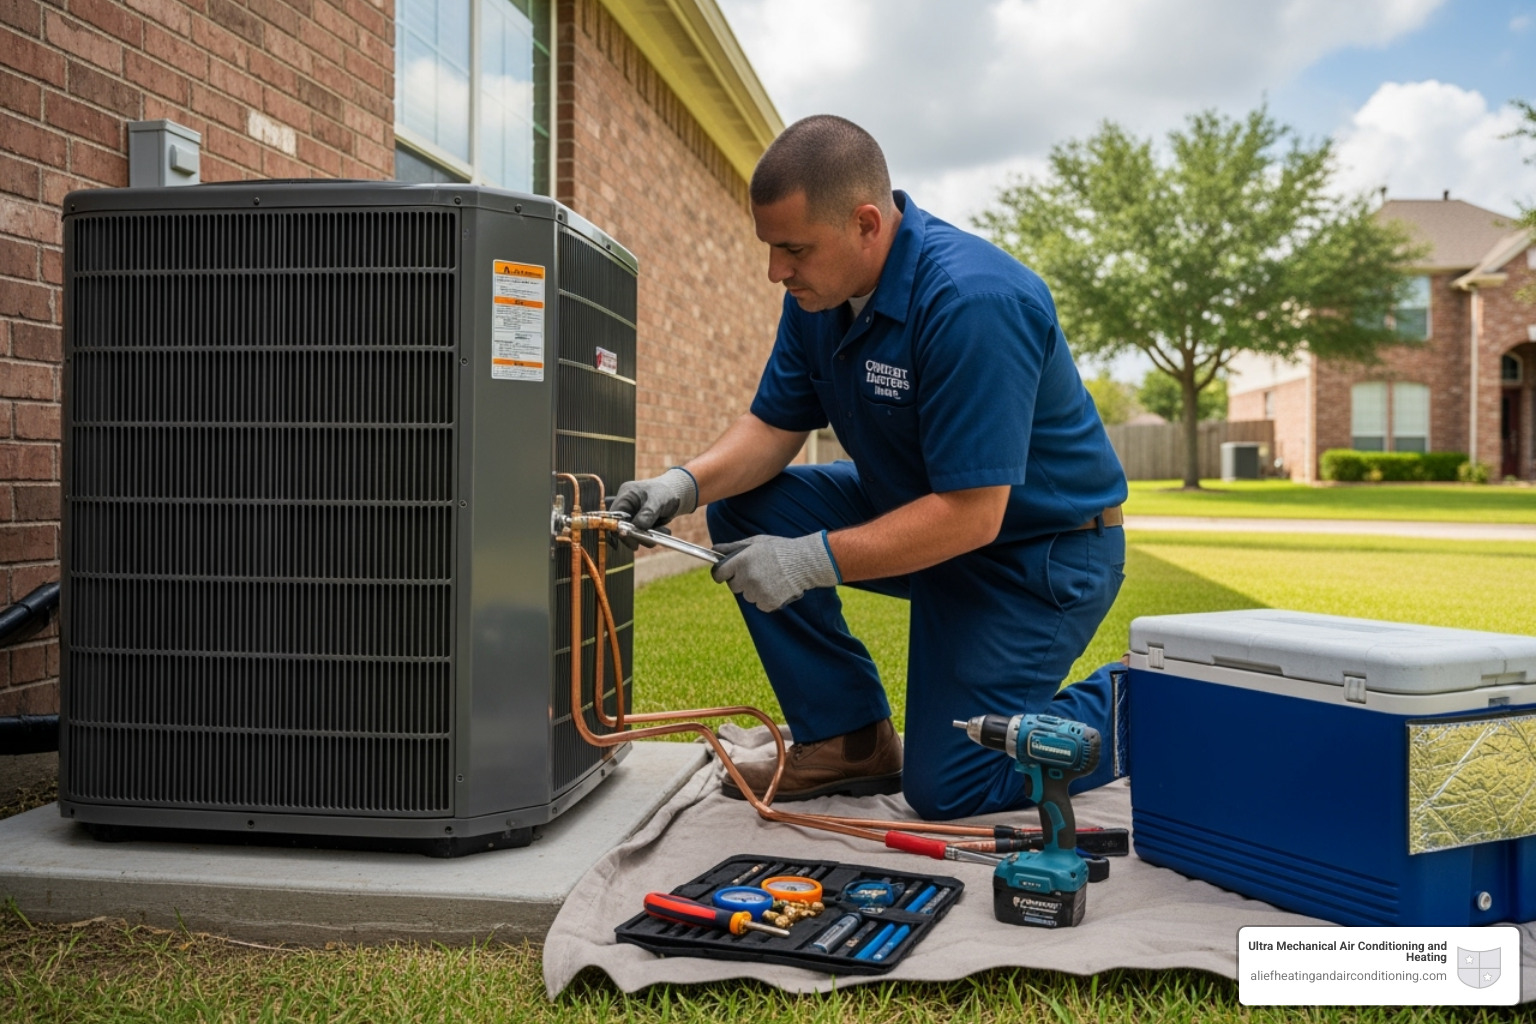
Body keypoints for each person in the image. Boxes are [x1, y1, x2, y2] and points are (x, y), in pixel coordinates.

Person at [611, 115, 1126, 819]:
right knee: (748, 507)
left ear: (865, 224)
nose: (776, 271)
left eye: (793, 249)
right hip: (924, 516)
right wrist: (683, 484)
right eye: (770, 248)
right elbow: (773, 426)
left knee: (953, 785)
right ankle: (848, 741)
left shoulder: (974, 302)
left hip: (1036, 555)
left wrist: (808, 561)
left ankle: (1151, 699)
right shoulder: (819, 297)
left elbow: (974, 514)